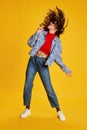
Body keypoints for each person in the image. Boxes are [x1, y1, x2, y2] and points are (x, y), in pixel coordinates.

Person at [20, 7, 72, 121]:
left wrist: (66, 69)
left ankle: (59, 110)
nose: (51, 23)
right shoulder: (41, 33)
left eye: (53, 23)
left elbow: (57, 58)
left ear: (57, 28)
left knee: (48, 88)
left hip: (43, 63)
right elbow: (30, 43)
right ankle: (27, 108)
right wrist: (36, 33)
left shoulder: (57, 42)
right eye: (51, 21)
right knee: (28, 84)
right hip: (33, 60)